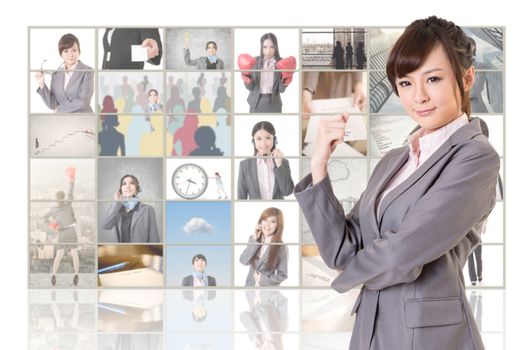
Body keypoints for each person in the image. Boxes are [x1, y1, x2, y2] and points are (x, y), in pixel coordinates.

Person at [294, 16, 499, 350]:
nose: (418, 96)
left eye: (432, 79)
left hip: (429, 336)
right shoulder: (394, 161)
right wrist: (319, 167)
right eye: (405, 83)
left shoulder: (475, 157)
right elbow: (342, 250)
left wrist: (341, 279)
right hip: (369, 329)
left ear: (467, 79)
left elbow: (402, 253)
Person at [35, 33, 94, 113]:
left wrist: (59, 109)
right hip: (63, 121)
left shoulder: (87, 71)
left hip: (82, 120)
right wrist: (42, 84)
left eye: (74, 50)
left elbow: (83, 102)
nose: (70, 55)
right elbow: (53, 104)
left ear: (79, 52)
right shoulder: (56, 74)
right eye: (66, 51)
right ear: (61, 54)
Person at [238, 33, 296, 113]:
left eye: (271, 47)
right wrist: (245, 75)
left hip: (274, 104)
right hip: (255, 103)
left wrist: (287, 78)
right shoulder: (254, 62)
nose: (268, 51)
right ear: (261, 48)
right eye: (265, 47)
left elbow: (281, 90)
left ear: (276, 47)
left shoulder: (282, 63)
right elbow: (249, 87)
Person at [237, 121, 294, 199]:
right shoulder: (245, 165)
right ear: (253, 141)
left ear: (274, 139)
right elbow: (241, 197)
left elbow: (287, 191)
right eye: (259, 139)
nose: (263, 143)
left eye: (268, 138)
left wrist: (279, 165)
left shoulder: (283, 162)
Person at [43, 167, 79, 286]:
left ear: (56, 198)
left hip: (62, 232)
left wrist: (52, 225)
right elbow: (71, 190)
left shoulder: (53, 209)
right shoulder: (68, 203)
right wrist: (71, 179)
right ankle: (76, 274)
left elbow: (44, 218)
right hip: (71, 231)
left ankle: (53, 275)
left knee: (59, 255)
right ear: (63, 197)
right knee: (74, 253)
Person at [101, 174, 160, 243]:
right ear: (120, 190)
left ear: (137, 188)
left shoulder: (148, 210)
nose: (128, 186)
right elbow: (105, 226)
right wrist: (117, 202)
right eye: (124, 184)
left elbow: (154, 239)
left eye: (132, 183)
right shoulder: (116, 209)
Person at [239, 207, 288, 287]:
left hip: (268, 293)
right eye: (265, 220)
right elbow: (243, 261)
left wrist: (263, 279)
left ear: (278, 225)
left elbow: (282, 275)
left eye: (272, 222)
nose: (267, 225)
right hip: (249, 290)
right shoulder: (253, 239)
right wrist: (255, 240)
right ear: (260, 222)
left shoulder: (281, 247)